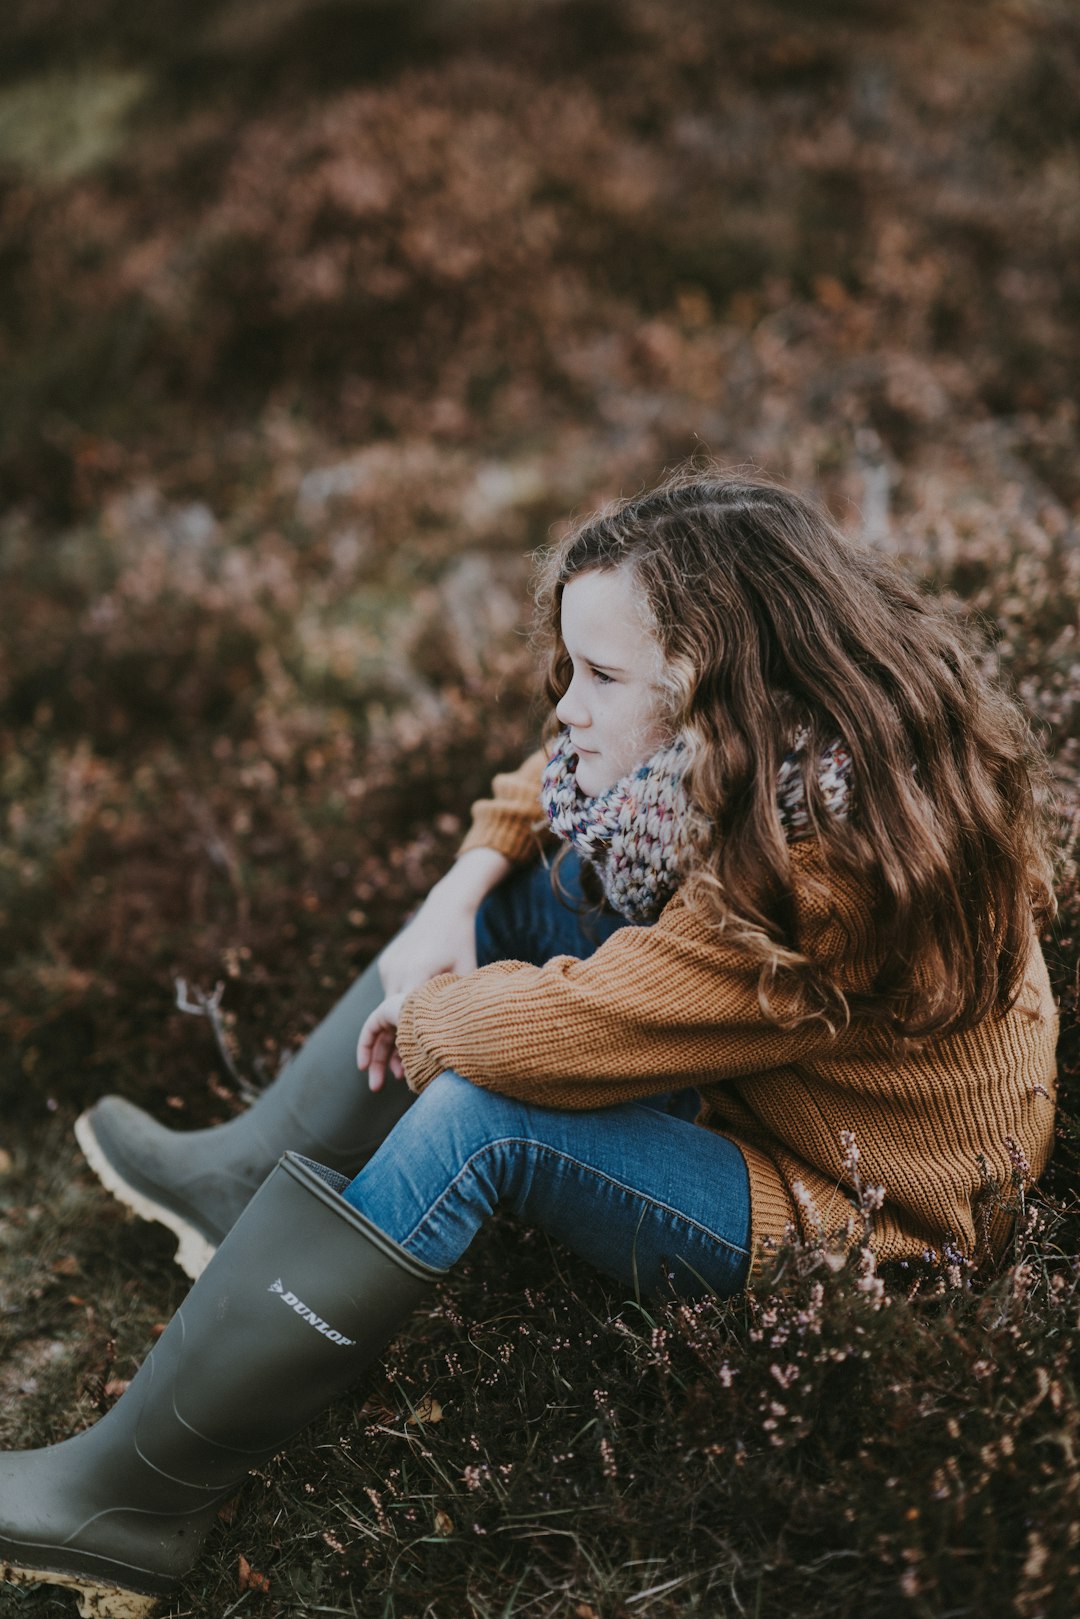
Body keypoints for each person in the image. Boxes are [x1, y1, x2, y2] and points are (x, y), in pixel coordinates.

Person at [0, 471, 1058, 1616]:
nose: (569, 705)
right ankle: (247, 1188)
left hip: (866, 1211)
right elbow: (555, 783)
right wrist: (460, 884)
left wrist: (425, 1013)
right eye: (573, 667)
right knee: (535, 883)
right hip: (805, 1090)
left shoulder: (820, 879)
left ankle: (135, 1501)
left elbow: (583, 1031)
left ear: (720, 692)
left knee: (477, 1114)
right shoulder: (802, 733)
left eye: (603, 676)